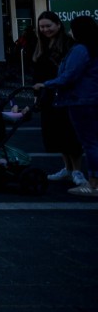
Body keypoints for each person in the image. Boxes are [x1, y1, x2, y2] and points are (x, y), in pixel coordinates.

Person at [35, 14, 98, 197]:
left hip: (80, 100)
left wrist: (46, 84)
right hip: (91, 99)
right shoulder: (93, 48)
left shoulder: (79, 49)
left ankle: (93, 185)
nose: (70, 31)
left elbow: (69, 75)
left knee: (89, 143)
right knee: (92, 141)